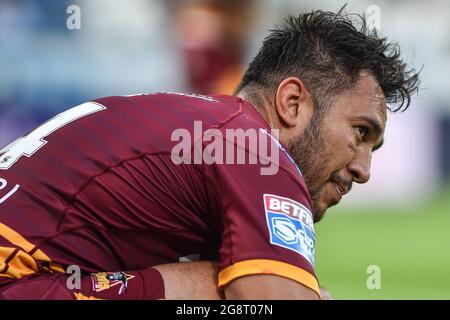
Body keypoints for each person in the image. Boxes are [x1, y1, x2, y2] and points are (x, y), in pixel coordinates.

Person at [0, 8, 419, 300]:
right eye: (360, 132)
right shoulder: (255, 149)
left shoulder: (201, 124)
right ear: (292, 103)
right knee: (229, 287)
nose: (364, 169)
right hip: (14, 283)